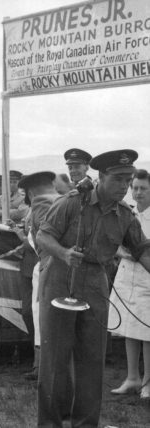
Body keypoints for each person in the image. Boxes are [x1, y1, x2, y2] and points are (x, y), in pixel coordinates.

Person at [36, 150, 150, 427]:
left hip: (96, 284)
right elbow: (43, 235)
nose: (125, 186)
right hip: (60, 279)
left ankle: (86, 423)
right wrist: (63, 253)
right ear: (101, 177)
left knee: (92, 359)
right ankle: (50, 423)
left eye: (128, 180)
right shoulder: (72, 203)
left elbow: (143, 250)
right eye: (118, 179)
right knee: (55, 359)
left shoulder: (124, 214)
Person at [109, 168, 150, 399]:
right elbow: (114, 242)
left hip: (146, 279)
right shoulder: (127, 213)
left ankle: (147, 382)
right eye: (134, 188)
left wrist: (134, 251)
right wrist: (124, 252)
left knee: (146, 331)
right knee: (129, 330)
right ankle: (132, 378)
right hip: (126, 277)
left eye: (143, 188)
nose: (137, 192)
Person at [17, 171, 61, 381]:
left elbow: (42, 240)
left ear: (31, 191)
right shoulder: (62, 200)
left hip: (48, 267)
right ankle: (42, 365)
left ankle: (44, 367)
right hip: (55, 266)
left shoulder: (41, 204)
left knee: (42, 317)